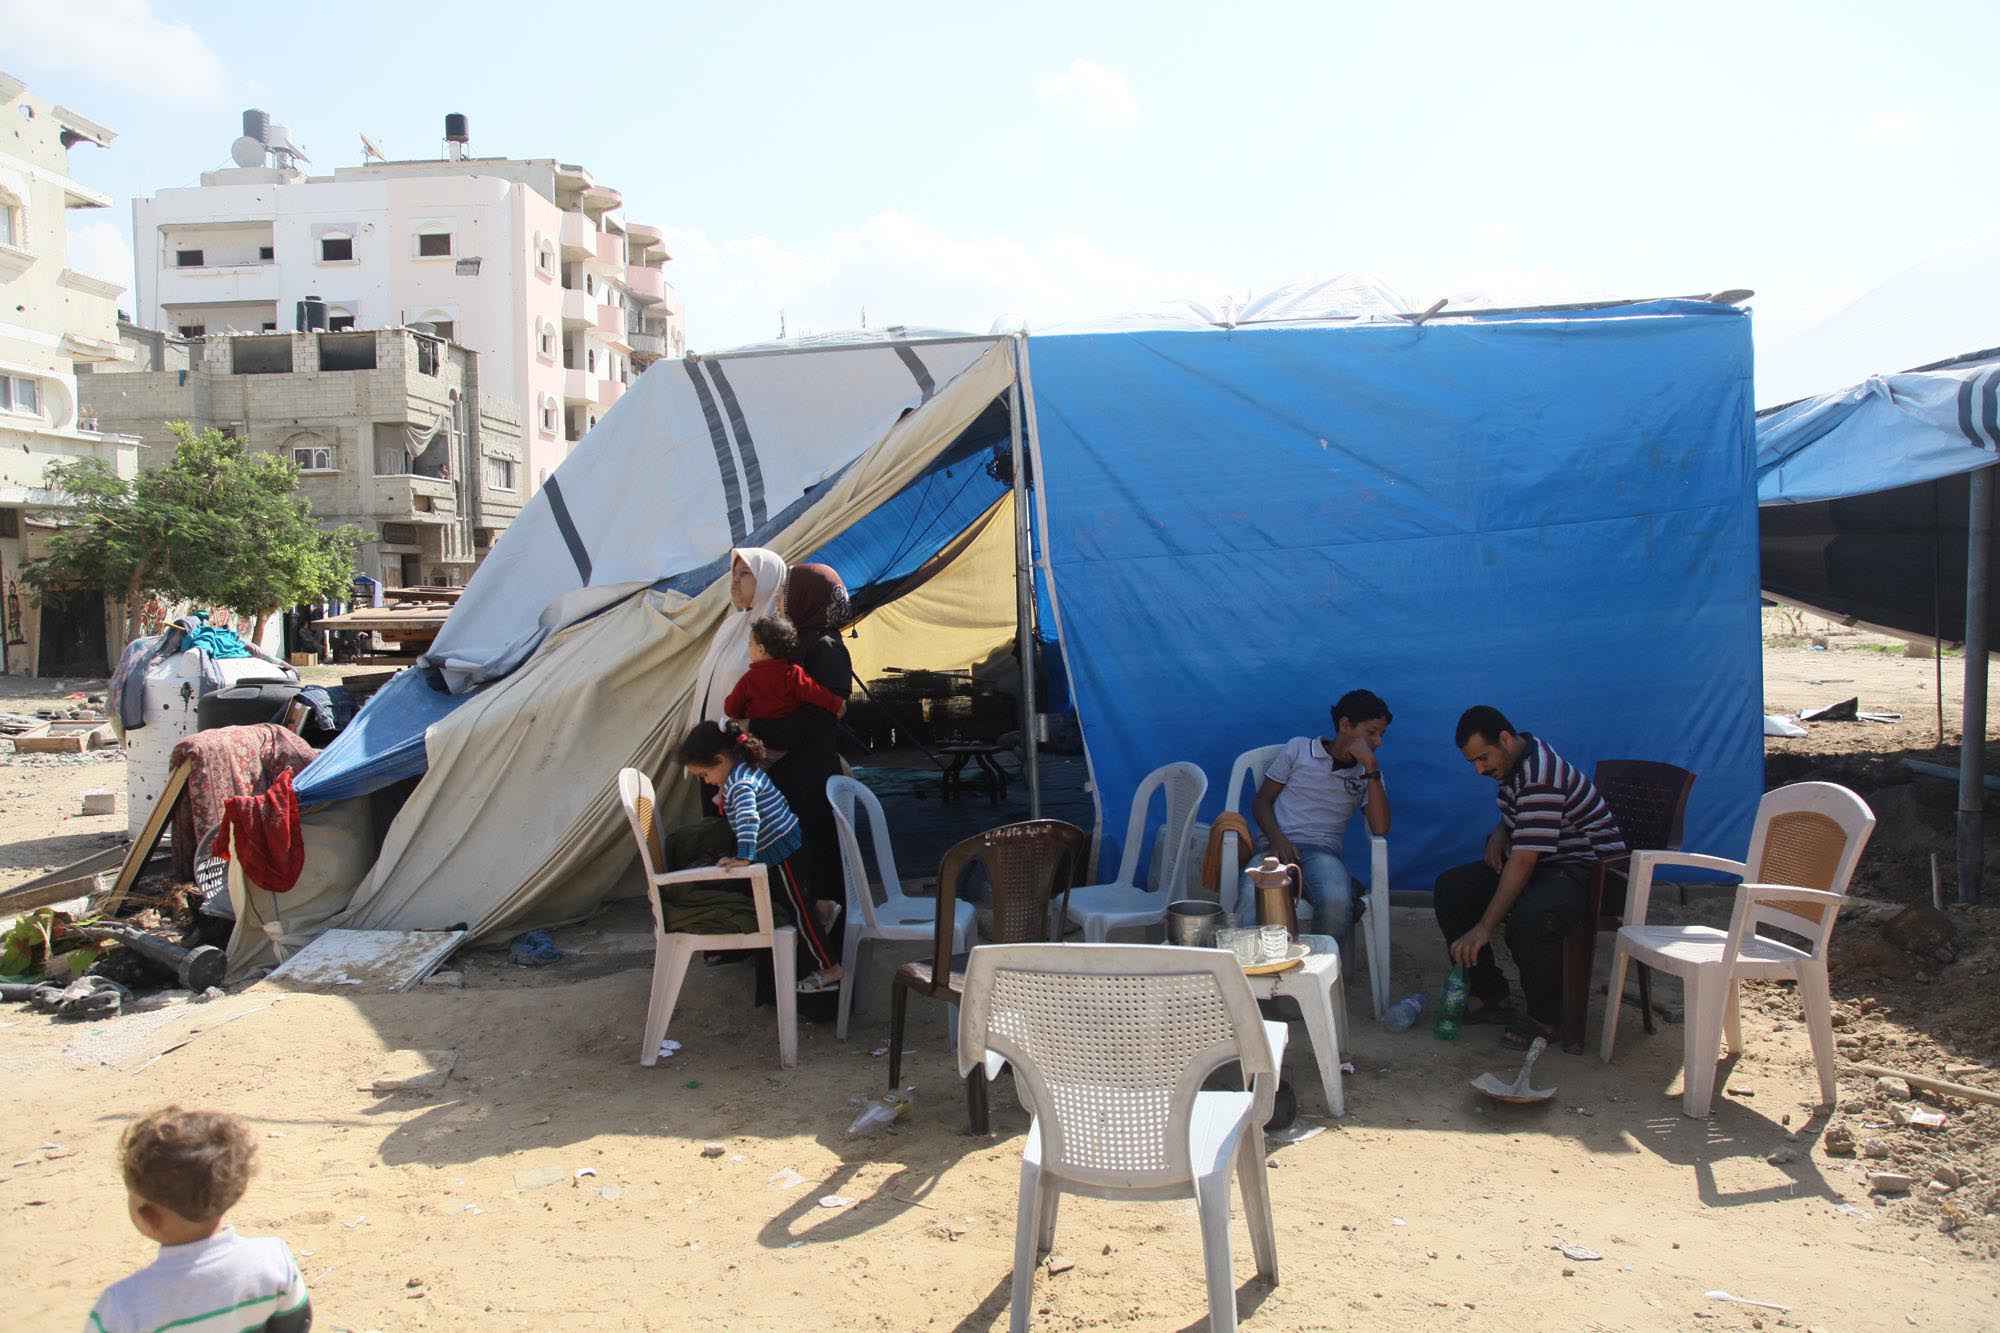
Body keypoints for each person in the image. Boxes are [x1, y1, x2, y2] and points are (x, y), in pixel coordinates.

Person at [1434, 705, 1625, 1048]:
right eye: (1472, 762)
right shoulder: (1516, 761)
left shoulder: (1539, 774)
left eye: (1483, 758)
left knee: (1531, 918)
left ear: (1505, 739)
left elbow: (1522, 863)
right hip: (1551, 861)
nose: (1479, 769)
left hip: (1592, 872)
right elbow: (1523, 815)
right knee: (1453, 889)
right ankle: (1490, 994)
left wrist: (1484, 928)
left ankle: (1545, 1017)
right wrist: (1501, 831)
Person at [86, 1105, 311, 1333]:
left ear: (148, 1215)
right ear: (234, 1193)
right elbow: (295, 1326)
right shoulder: (273, 1261)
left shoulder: (123, 1306)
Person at [677, 720, 842, 994]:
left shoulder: (739, 784)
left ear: (719, 760)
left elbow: (749, 818)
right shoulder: (743, 769)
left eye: (705, 775)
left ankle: (830, 968)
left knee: (799, 914)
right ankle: (824, 907)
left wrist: (744, 857)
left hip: (782, 853)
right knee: (797, 900)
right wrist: (723, 795)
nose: (706, 781)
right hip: (791, 843)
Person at [1239, 689, 1393, 957]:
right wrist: (1278, 839)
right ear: (1345, 725)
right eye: (1371, 732)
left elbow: (1380, 828)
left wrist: (1370, 768)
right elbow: (1261, 801)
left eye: (1381, 734)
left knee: (1336, 902)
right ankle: (1252, 978)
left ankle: (1318, 975)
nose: (1378, 741)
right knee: (1253, 897)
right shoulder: (1299, 749)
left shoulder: (1369, 775)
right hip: (1275, 848)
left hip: (1321, 853)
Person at [741, 564, 854, 924]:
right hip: (793, 769)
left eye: (785, 592)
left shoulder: (825, 648)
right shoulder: (798, 643)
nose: (778, 599)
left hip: (811, 771)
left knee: (819, 852)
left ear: (806, 597)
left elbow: (819, 722)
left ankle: (826, 949)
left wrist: (756, 728)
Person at [724, 615, 849, 752]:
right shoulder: (794, 673)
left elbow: (730, 708)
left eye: (750, 644)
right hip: (787, 745)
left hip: (757, 741)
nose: (748, 649)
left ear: (761, 650)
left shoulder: (748, 680)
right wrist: (837, 705)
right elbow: (816, 692)